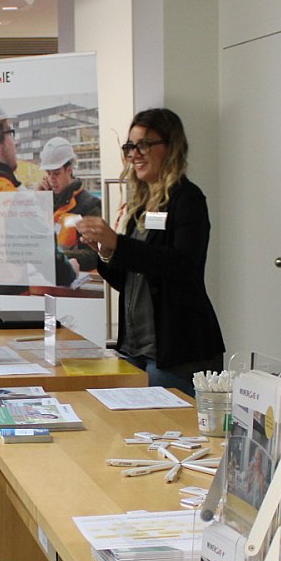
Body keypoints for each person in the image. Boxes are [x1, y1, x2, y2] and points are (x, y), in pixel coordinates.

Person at [76, 108, 225, 393]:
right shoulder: (141, 207)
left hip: (176, 350)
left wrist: (119, 243)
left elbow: (181, 264)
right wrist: (106, 252)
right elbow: (130, 280)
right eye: (130, 147)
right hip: (136, 349)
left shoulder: (188, 199)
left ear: (171, 147)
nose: (134, 155)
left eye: (143, 145)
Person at [40, 136, 102, 283]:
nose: (51, 179)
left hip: (77, 285)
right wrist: (39, 202)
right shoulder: (47, 203)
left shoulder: (89, 206)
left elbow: (94, 255)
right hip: (47, 281)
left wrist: (56, 258)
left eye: (56, 173)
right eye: (48, 173)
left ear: (69, 170)